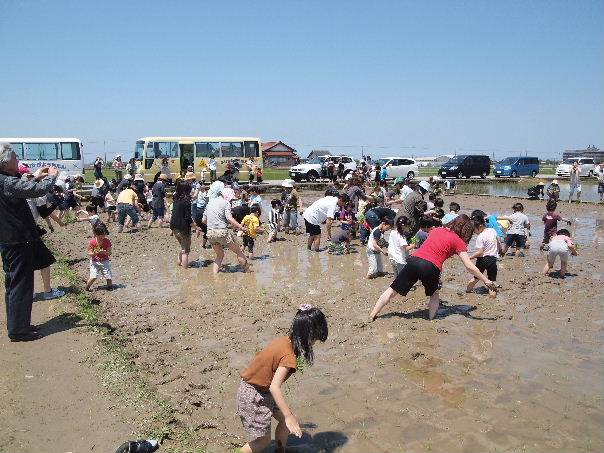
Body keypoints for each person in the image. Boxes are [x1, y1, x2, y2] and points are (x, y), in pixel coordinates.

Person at [369, 215, 497, 322]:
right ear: (466, 231)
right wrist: (485, 280)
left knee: (392, 291)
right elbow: (469, 265)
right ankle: (431, 320)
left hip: (414, 260)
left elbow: (434, 246)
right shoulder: (459, 241)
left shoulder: (436, 230)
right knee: (434, 294)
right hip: (431, 266)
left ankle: (372, 315)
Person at [236, 305, 328, 453]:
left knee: (288, 422)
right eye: (315, 339)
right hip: (253, 395)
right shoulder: (288, 356)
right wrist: (288, 415)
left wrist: (290, 418)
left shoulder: (286, 341)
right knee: (263, 441)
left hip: (262, 390)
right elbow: (274, 387)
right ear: (308, 335)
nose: (314, 343)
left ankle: (280, 450)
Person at [0, 143, 60, 341]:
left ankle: (17, 325)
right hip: (18, 240)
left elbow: (20, 186)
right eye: (15, 157)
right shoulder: (6, 181)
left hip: (9, 239)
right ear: (6, 162)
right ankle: (19, 331)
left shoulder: (5, 180)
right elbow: (35, 191)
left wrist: (35, 176)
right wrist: (52, 175)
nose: (18, 160)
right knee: (21, 286)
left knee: (13, 284)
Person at [202, 182, 250, 273]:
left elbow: (203, 220)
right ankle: (248, 272)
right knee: (238, 251)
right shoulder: (225, 203)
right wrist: (241, 227)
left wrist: (213, 224)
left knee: (219, 255)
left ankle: (214, 276)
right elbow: (229, 218)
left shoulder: (209, 203)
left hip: (210, 233)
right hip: (222, 232)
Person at [466, 210, 499, 297]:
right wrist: (500, 249)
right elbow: (498, 241)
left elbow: (480, 252)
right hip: (492, 259)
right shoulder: (492, 230)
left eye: (474, 230)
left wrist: (470, 257)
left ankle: (467, 290)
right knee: (492, 280)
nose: (474, 232)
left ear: (480, 226)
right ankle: (492, 296)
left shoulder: (480, 237)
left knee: (476, 278)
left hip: (482, 260)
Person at [170, 179, 193, 268]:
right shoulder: (186, 201)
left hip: (174, 227)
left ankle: (179, 262)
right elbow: (188, 218)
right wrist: (196, 227)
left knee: (182, 247)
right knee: (185, 251)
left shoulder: (175, 198)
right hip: (183, 228)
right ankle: (184, 271)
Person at [86, 222, 113, 291]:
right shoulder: (92, 242)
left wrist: (104, 252)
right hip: (94, 262)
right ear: (95, 235)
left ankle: (110, 287)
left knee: (108, 276)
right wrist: (95, 253)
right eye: (100, 236)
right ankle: (87, 288)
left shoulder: (107, 241)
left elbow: (109, 253)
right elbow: (89, 253)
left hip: (105, 261)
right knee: (93, 276)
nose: (102, 237)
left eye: (104, 235)